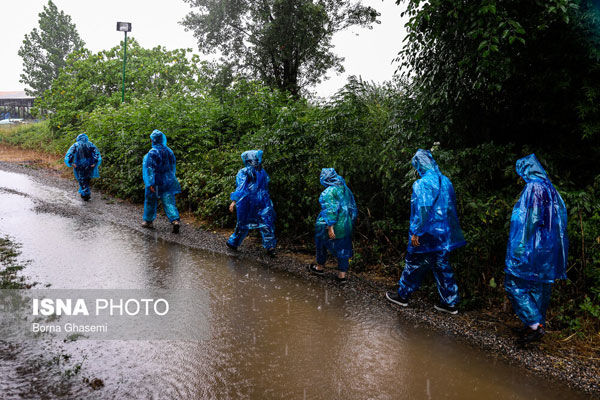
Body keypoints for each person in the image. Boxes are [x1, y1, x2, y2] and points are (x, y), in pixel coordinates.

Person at [386, 149, 466, 314]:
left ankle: (402, 296)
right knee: (441, 264)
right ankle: (450, 302)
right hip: (443, 232)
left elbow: (423, 209)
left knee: (414, 262)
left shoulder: (422, 184)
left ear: (419, 165)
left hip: (427, 232)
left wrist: (416, 231)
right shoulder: (446, 181)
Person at [504, 154, 568, 344]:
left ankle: (534, 324)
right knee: (538, 287)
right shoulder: (550, 187)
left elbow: (531, 219)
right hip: (547, 248)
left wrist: (521, 244)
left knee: (515, 284)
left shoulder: (534, 187)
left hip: (532, 246)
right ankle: (535, 324)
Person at [309, 168, 357, 283]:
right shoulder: (344, 188)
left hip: (332, 225)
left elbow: (331, 210)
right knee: (343, 248)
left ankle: (319, 267)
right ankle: (342, 276)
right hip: (346, 224)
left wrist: (330, 227)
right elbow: (352, 206)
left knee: (321, 243)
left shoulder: (329, 192)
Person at [227, 150, 277, 255]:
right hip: (263, 201)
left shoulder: (244, 172)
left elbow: (240, 188)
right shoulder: (262, 171)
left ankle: (233, 242)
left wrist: (234, 201)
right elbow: (266, 185)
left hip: (247, 202)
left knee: (242, 223)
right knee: (266, 223)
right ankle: (270, 247)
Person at [141, 129, 181, 233]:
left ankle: (148, 221)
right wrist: (170, 178)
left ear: (153, 140)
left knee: (151, 200)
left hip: (156, 181)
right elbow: (172, 166)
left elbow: (149, 169)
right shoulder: (169, 151)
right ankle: (175, 220)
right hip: (167, 180)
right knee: (169, 201)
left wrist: (150, 183)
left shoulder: (152, 152)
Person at [64, 133, 101, 201]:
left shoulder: (75, 145)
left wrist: (71, 163)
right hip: (89, 165)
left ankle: (85, 194)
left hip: (79, 165)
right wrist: (94, 162)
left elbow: (70, 154)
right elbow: (96, 153)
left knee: (81, 179)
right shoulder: (90, 144)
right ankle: (85, 193)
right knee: (87, 179)